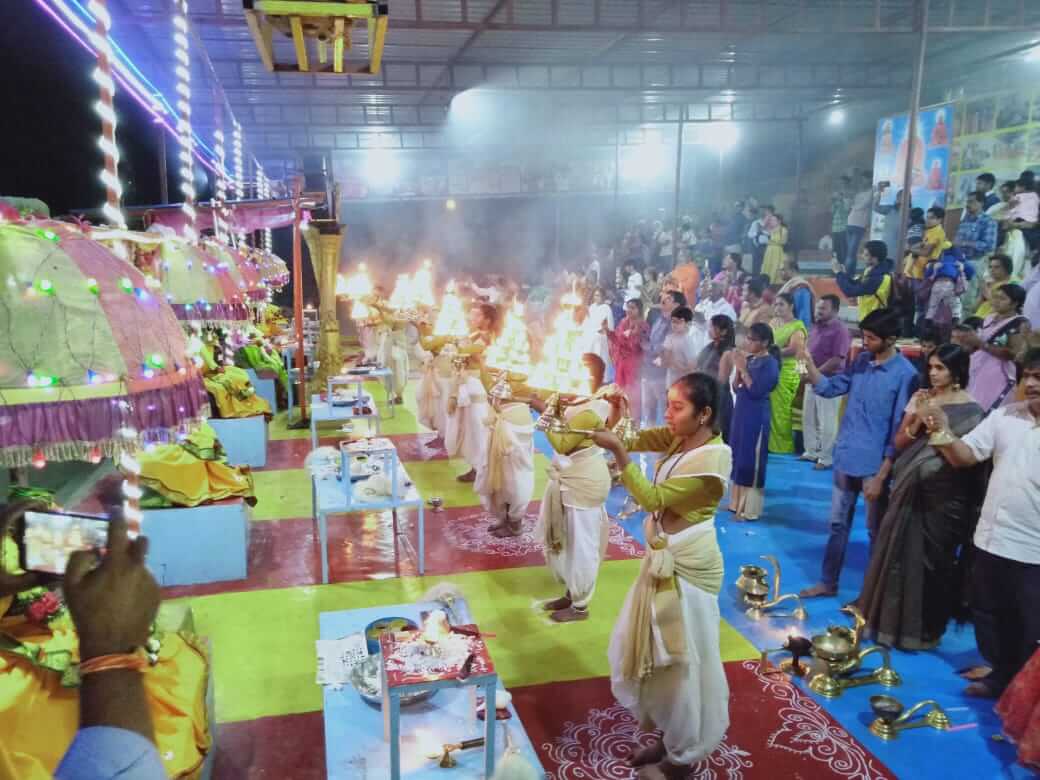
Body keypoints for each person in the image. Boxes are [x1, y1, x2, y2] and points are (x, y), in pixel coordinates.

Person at [594, 374, 732, 780]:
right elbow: (637, 438)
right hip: (664, 556)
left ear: (704, 414)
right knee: (655, 653)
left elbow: (652, 500)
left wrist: (619, 454)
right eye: (668, 404)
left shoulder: (713, 459)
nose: (668, 414)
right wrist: (618, 415)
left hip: (689, 565)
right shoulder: (679, 437)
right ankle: (668, 736)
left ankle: (682, 758)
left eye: (677, 408)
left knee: (682, 661)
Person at [921, 348, 1040, 698]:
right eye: (1027, 376)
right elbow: (966, 456)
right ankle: (999, 677)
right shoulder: (1005, 416)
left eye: (1039, 377)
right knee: (988, 613)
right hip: (991, 538)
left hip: (1034, 549)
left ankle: (1024, 695)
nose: (1031, 384)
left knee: (1031, 624)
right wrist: (940, 429)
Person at [856, 345, 986, 649]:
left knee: (933, 563)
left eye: (940, 368)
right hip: (907, 486)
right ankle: (887, 626)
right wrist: (916, 422)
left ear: (958, 371)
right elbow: (900, 441)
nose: (933, 373)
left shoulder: (973, 410)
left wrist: (937, 422)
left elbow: (963, 459)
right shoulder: (921, 397)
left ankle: (925, 630)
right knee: (895, 555)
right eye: (931, 367)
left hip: (943, 498)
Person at [797, 308, 919, 598]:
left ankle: (872, 596)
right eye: (863, 336)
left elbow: (898, 429)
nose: (865, 343)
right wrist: (807, 365)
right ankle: (828, 582)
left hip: (874, 465)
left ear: (891, 339)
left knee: (876, 532)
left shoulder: (906, 375)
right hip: (846, 456)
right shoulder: (862, 361)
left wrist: (883, 473)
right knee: (837, 525)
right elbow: (829, 388)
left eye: (871, 338)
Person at [528, 360, 615, 622]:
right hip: (569, 478)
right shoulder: (572, 400)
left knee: (582, 545)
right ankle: (571, 593)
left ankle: (581, 606)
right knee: (566, 540)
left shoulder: (594, 408)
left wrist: (544, 410)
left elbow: (563, 444)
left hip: (585, 482)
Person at [728, 323, 781, 520]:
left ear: (765, 342)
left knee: (752, 458)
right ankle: (735, 504)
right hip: (741, 412)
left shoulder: (770, 364)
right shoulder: (750, 360)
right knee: (739, 455)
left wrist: (743, 369)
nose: (748, 342)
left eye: (752, 339)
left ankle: (748, 509)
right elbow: (736, 387)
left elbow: (757, 390)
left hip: (756, 416)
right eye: (747, 338)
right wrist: (738, 369)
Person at [474, 378, 536, 538]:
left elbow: (531, 396)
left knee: (514, 481)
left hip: (514, 420)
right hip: (507, 413)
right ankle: (504, 518)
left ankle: (515, 523)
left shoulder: (523, 375)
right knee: (501, 481)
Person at [445, 302, 498, 482]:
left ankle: (482, 469)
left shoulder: (486, 338)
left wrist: (458, 342)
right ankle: (476, 467)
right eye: (471, 315)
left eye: (477, 316)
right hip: (468, 384)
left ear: (487, 320)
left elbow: (466, 351)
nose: (471, 318)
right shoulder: (473, 335)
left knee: (478, 429)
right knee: (470, 429)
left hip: (478, 386)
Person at [801, 295, 851, 470]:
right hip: (810, 379)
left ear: (835, 311)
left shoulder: (841, 330)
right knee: (808, 417)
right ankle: (811, 451)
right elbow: (804, 353)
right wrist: (802, 373)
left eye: (823, 309)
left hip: (830, 381)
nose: (818, 311)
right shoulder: (814, 328)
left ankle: (826, 457)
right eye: (817, 308)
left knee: (826, 420)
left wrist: (815, 374)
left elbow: (837, 360)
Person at [964, 284, 1031, 413]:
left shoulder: (1021, 323)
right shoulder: (989, 318)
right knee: (971, 406)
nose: (996, 301)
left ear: (1015, 303)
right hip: (978, 369)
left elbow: (1013, 354)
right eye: (995, 297)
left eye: (1002, 298)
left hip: (1000, 374)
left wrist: (981, 344)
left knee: (988, 410)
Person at [767, 292, 808, 454]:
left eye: (781, 304)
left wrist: (770, 351)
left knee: (781, 412)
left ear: (791, 306)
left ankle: (782, 449)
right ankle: (770, 446)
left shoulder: (797, 326)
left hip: (787, 372)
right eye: (776, 304)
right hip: (771, 368)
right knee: (771, 410)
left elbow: (795, 349)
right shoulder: (773, 323)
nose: (777, 308)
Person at [642, 290, 685, 426]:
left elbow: (666, 348)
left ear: (677, 305)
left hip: (663, 374)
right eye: (663, 297)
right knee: (648, 409)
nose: (663, 300)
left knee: (666, 411)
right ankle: (650, 441)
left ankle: (666, 444)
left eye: (668, 299)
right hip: (649, 370)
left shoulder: (677, 324)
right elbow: (651, 340)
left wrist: (648, 347)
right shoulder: (659, 319)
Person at [955, 192, 999, 313]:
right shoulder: (965, 220)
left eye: (971, 201)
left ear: (981, 203)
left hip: (975, 262)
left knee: (968, 299)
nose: (967, 205)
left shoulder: (988, 221)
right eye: (967, 201)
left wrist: (965, 243)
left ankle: (965, 328)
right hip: (959, 262)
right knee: (956, 298)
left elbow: (989, 245)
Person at [606, 297, 649, 419]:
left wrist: (632, 334)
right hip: (621, 364)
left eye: (633, 308)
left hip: (633, 364)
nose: (629, 310)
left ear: (639, 310)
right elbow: (617, 340)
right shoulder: (623, 322)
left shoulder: (643, 326)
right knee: (618, 392)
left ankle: (633, 423)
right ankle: (619, 420)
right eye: (628, 307)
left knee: (632, 395)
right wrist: (608, 332)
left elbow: (636, 346)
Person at [696, 314, 736, 443]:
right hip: (706, 394)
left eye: (712, 327)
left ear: (723, 331)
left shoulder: (728, 352)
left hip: (718, 397)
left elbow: (721, 380)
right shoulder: (711, 346)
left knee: (718, 435)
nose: (709, 330)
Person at [833, 239, 894, 321]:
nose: (862, 256)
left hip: (876, 322)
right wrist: (844, 274)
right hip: (869, 318)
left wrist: (838, 274)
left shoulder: (878, 277)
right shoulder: (871, 270)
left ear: (874, 258)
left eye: (866, 255)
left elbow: (850, 291)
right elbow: (855, 284)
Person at [660, 306, 700, 387]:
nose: (674, 325)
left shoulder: (688, 341)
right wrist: (663, 356)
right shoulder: (669, 337)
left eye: (678, 322)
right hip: (670, 381)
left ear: (688, 323)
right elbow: (664, 361)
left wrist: (673, 362)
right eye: (673, 321)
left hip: (683, 383)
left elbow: (691, 368)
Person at [845, 172, 874, 276]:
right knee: (850, 252)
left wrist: (854, 205)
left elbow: (864, 204)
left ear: (870, 180)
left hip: (859, 224)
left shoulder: (871, 191)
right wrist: (849, 198)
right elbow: (848, 206)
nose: (863, 181)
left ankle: (848, 275)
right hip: (850, 223)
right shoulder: (857, 193)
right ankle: (850, 274)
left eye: (865, 179)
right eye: (862, 179)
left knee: (852, 252)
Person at [976, 253, 1019, 318]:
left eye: (997, 267)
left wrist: (987, 293)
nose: (992, 270)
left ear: (1006, 268)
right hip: (978, 318)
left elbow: (1005, 307)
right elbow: (973, 309)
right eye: (990, 267)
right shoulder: (990, 283)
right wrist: (982, 294)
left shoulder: (1013, 283)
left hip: (993, 322)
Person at [777, 256, 816, 329]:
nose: (780, 273)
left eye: (783, 270)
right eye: (780, 270)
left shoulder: (800, 288)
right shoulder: (790, 286)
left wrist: (801, 333)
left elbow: (804, 316)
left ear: (793, 270)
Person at [584, 287, 614, 369]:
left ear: (603, 297)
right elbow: (587, 322)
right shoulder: (592, 307)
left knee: (600, 356)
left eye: (598, 295)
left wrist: (604, 332)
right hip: (590, 335)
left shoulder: (606, 308)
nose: (596, 297)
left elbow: (610, 325)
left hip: (600, 337)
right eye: (595, 295)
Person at [760, 213, 789, 284]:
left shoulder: (783, 230)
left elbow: (783, 241)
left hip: (777, 251)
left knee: (776, 267)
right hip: (769, 251)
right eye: (771, 220)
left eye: (773, 220)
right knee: (767, 266)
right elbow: (762, 229)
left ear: (779, 221)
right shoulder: (769, 229)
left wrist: (771, 240)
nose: (771, 221)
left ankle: (775, 283)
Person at [831, 176, 852, 266]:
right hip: (835, 227)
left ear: (846, 183)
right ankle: (835, 268)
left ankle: (844, 268)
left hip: (844, 227)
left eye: (842, 183)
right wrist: (834, 203)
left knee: (844, 249)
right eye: (839, 183)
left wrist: (842, 199)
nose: (840, 185)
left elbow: (847, 209)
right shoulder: (836, 194)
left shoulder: (849, 194)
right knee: (835, 250)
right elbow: (831, 211)